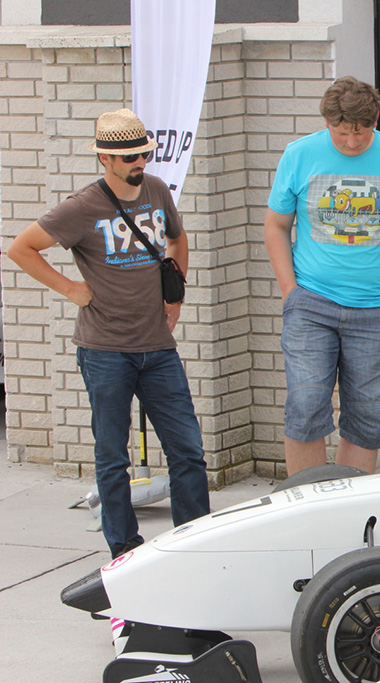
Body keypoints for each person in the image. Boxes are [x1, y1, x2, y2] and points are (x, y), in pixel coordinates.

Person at [8, 109, 209, 558]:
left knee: (187, 451)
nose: (140, 163)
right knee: (112, 456)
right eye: (130, 157)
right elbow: (21, 248)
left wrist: (174, 296)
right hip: (105, 350)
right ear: (105, 158)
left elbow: (178, 239)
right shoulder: (82, 206)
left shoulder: (156, 190)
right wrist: (71, 289)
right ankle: (125, 551)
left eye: (144, 154)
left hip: (158, 347)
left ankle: (194, 545)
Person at [264, 76, 380, 476]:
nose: (352, 143)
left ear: (375, 121)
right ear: (326, 122)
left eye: (361, 132)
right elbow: (276, 225)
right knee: (305, 406)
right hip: (311, 303)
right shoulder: (299, 155)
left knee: (369, 417)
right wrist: (290, 293)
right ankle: (306, 503)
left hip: (378, 308)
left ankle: (350, 505)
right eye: (341, 134)